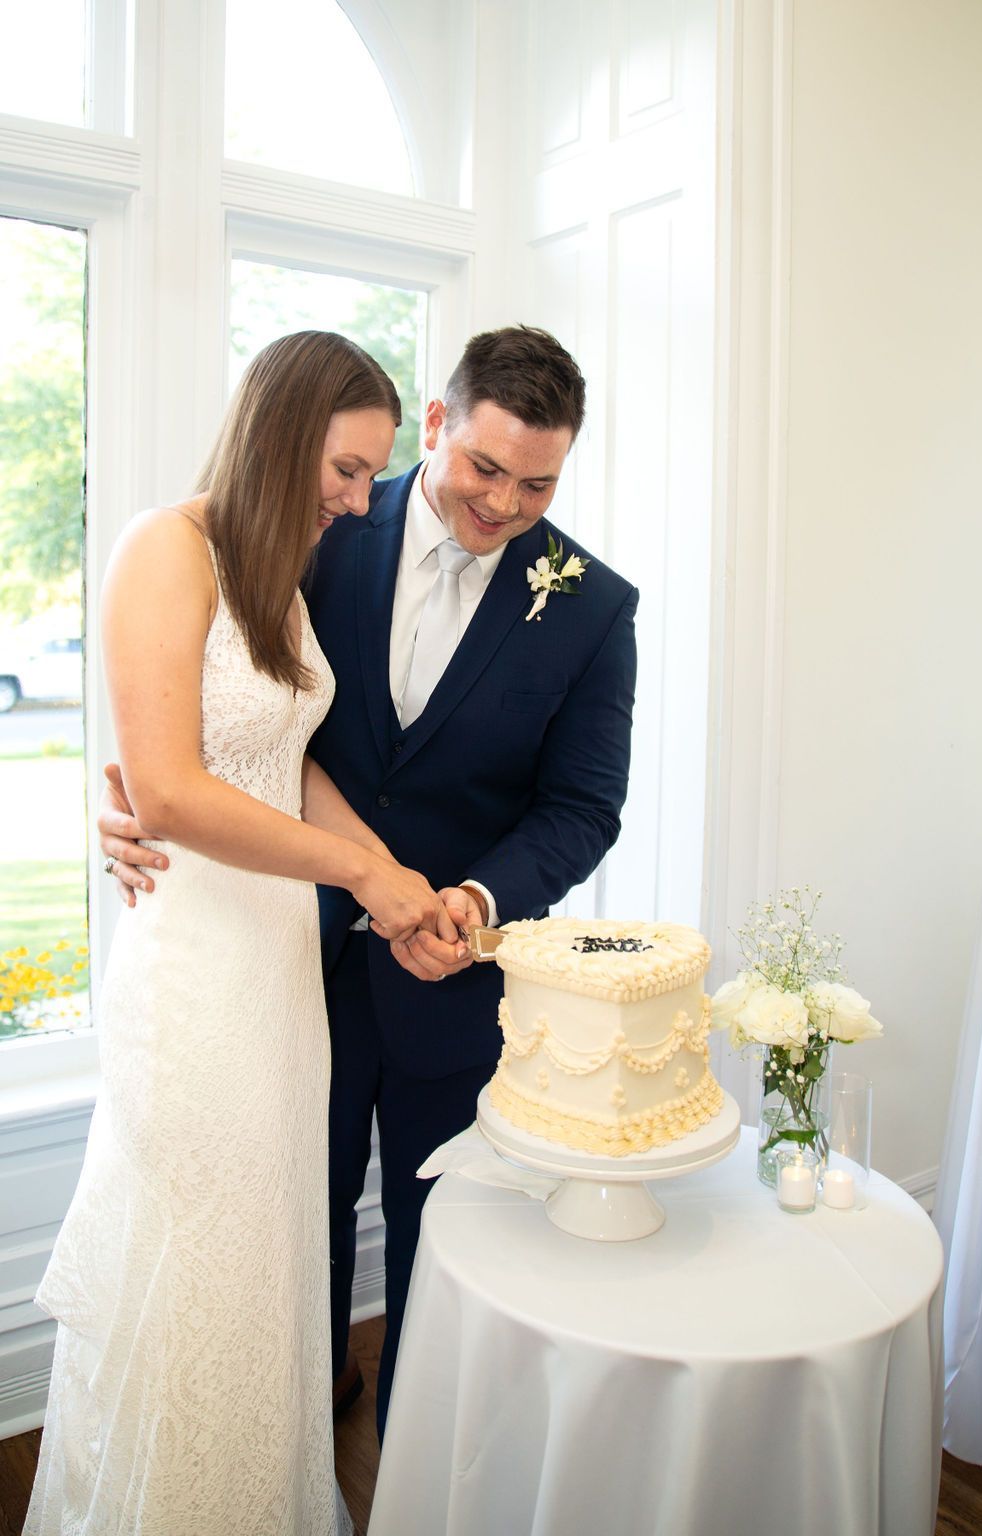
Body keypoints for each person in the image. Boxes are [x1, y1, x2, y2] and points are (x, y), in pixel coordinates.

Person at [100, 324, 639, 1440]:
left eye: (536, 484)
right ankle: (282, 1442)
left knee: (444, 1251)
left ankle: (415, 1478)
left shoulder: (590, 605)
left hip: (449, 974)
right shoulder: (315, 523)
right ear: (436, 427)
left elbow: (582, 807)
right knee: (276, 1244)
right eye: (484, 469)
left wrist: (473, 904)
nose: (502, 505)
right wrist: (123, 801)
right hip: (278, 958)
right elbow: (198, 716)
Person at [25, 331, 457, 1536]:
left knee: (266, 1276)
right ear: (279, 427)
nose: (358, 498)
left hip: (278, 976)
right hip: (198, 975)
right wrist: (361, 879)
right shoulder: (163, 547)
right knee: (193, 1287)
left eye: (370, 475)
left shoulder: (272, 574)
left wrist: (383, 868)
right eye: (346, 467)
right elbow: (163, 790)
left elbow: (280, 763)